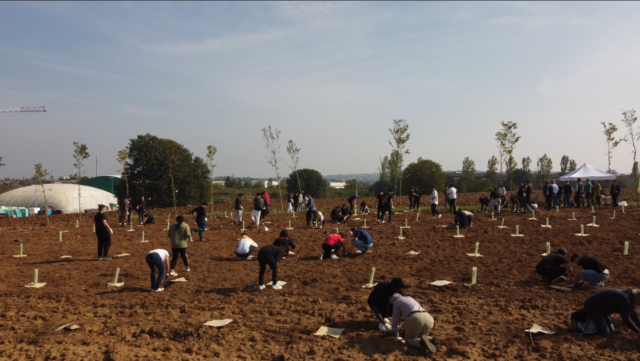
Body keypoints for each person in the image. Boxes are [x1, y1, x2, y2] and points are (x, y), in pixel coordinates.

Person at [569, 288, 640, 336]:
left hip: (602, 310)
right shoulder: (625, 300)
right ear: (637, 299)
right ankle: (577, 325)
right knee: (603, 332)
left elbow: (635, 315)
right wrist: (638, 332)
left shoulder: (629, 298)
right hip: (593, 307)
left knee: (611, 330)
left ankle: (589, 320)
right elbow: (626, 320)